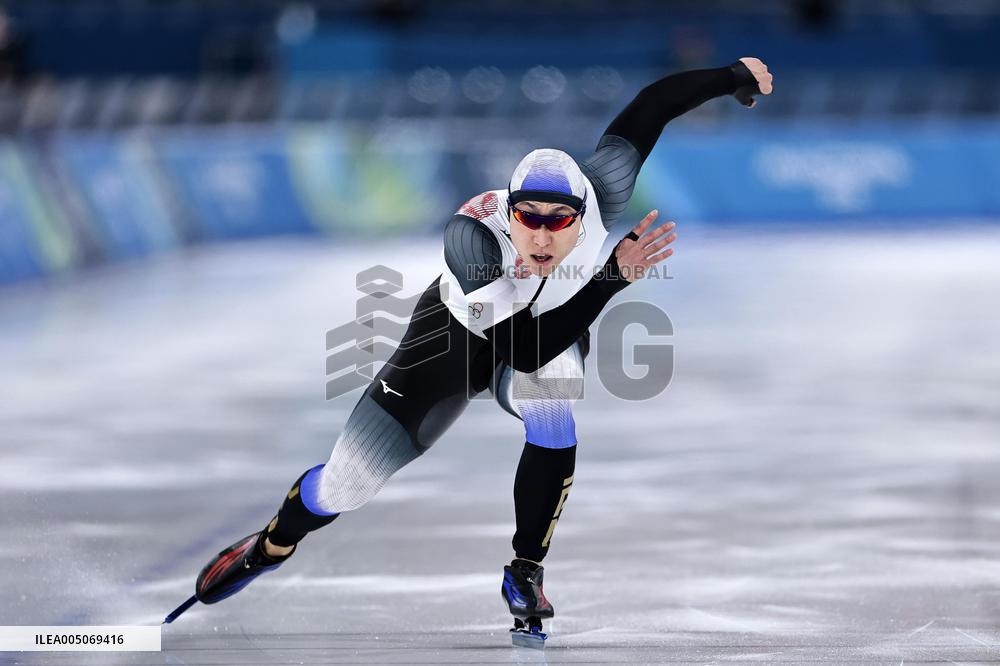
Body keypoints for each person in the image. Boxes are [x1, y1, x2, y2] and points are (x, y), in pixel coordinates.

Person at [168, 57, 773, 632]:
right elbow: (522, 347)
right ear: (507, 214)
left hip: (549, 325)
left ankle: (525, 571)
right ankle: (270, 544)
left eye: (557, 221)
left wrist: (730, 77)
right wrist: (613, 276)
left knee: (553, 408)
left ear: (582, 213)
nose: (539, 235)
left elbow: (653, 104)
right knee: (345, 486)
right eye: (526, 218)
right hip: (453, 340)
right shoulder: (472, 241)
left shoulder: (604, 187)